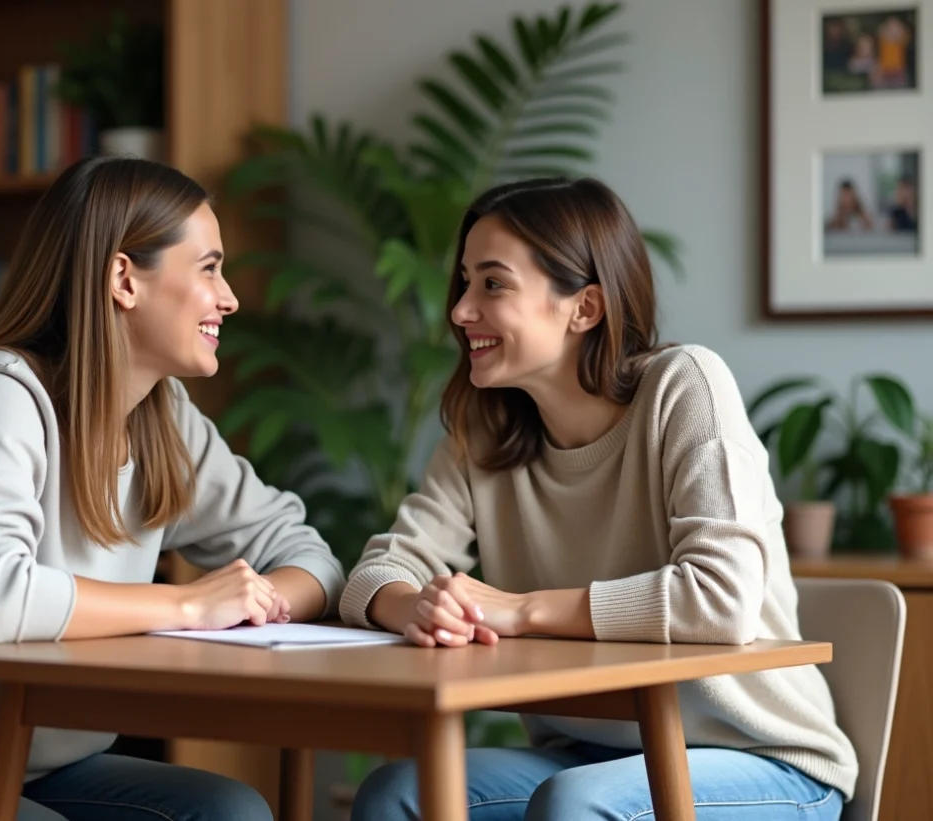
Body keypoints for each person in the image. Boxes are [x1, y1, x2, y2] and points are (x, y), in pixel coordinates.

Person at [0, 156, 346, 821]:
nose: (230, 298)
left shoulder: (167, 421)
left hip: (29, 760)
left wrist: (258, 601)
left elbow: (310, 555)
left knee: (229, 810)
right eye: (210, 267)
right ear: (123, 278)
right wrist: (189, 605)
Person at [341, 177, 857, 820]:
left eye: (492, 285)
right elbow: (374, 574)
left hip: (766, 763)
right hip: (588, 754)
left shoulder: (683, 387)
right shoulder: (484, 432)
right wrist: (417, 606)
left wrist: (521, 610)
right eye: (465, 283)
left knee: (574, 805)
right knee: (395, 794)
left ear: (584, 308)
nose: (460, 310)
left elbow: (720, 600)